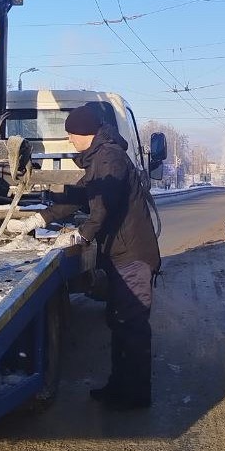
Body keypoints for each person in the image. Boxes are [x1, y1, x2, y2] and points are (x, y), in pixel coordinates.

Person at [38, 103, 160, 411]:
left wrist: (83, 234)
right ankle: (120, 386)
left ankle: (135, 396)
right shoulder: (99, 159)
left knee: (131, 325)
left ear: (85, 133)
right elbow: (81, 196)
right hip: (120, 253)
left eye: (71, 134)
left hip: (132, 256)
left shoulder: (110, 158)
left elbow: (104, 203)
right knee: (119, 322)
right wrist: (41, 218)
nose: (69, 141)